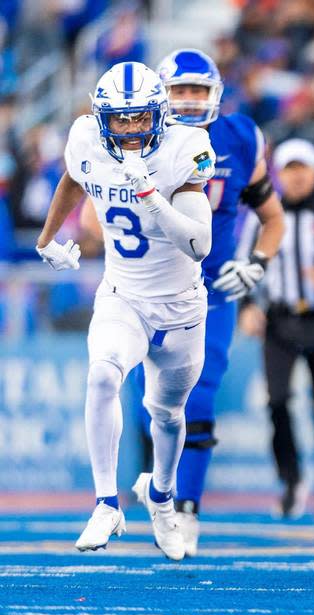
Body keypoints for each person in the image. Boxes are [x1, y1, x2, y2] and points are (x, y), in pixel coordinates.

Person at [36, 61, 215, 561]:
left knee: (168, 414)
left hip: (180, 306)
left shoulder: (186, 147)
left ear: (159, 116)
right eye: (121, 119)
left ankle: (160, 496)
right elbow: (76, 176)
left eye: (141, 119)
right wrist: (48, 236)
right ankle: (106, 501)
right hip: (124, 295)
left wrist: (150, 195)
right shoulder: (85, 138)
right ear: (101, 119)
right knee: (101, 376)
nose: (132, 130)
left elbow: (200, 243)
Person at [150, 48, 285, 556]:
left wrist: (256, 264)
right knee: (152, 401)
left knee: (200, 394)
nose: (187, 101)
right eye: (179, 91)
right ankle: (160, 488)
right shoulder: (138, 138)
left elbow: (273, 218)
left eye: (197, 91)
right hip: (149, 286)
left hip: (210, 291)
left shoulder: (240, 138)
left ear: (216, 95)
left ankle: (187, 507)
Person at [236, 138, 314, 523]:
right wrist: (247, 307)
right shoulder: (262, 213)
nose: (295, 177)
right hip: (280, 320)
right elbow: (244, 265)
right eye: (288, 169)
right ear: (278, 173)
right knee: (276, 402)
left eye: (302, 168)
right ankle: (291, 482)